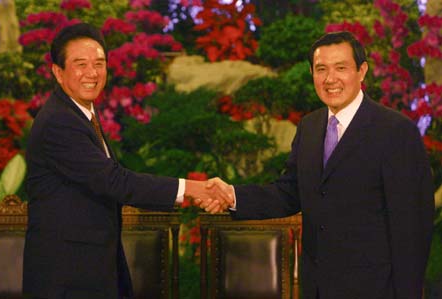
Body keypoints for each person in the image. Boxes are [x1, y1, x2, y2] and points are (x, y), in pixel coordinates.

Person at [203, 31, 435, 299]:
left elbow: (412, 226)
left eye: (341, 68)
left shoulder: (395, 131)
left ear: (362, 71)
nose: (330, 79)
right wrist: (232, 195)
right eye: (321, 69)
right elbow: (289, 193)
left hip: (374, 288)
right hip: (317, 288)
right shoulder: (310, 127)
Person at [23, 23, 231, 299]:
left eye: (99, 63)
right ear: (58, 73)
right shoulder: (59, 122)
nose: (92, 73)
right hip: (66, 277)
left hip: (91, 268)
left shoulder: (81, 115)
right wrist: (194, 189)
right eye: (80, 64)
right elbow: (115, 181)